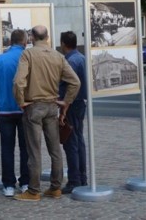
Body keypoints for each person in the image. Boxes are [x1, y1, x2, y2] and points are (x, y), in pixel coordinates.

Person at [12, 25, 80, 201]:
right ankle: (55, 188)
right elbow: (75, 82)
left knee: (34, 151)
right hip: (52, 106)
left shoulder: (28, 54)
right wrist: (66, 101)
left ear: (33, 37)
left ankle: (34, 191)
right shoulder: (58, 56)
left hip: (34, 106)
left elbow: (19, 81)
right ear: (47, 37)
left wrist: (20, 101)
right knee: (55, 150)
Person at [0, 29, 30, 197]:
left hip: (4, 110)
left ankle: (9, 185)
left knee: (7, 147)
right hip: (24, 108)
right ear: (24, 42)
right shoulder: (27, 58)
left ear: (10, 41)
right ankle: (25, 182)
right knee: (26, 148)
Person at [59, 31, 88, 194]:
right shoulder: (82, 58)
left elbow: (69, 86)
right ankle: (82, 177)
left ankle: (74, 180)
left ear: (63, 43)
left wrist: (63, 107)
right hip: (80, 103)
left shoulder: (70, 61)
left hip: (71, 104)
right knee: (79, 141)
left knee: (71, 143)